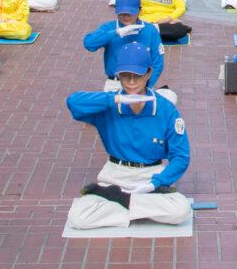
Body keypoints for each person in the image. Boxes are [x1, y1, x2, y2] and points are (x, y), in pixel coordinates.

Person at [65, 42, 191, 230]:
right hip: (115, 175)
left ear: (148, 73)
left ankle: (122, 202)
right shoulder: (109, 104)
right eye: (125, 75)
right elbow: (73, 102)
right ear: (118, 75)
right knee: (77, 217)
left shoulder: (166, 109)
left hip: (150, 174)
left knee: (181, 211)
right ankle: (141, 209)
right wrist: (114, 98)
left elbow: (181, 156)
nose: (131, 81)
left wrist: (155, 182)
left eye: (137, 75)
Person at [83, 0, 177, 105]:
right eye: (122, 12)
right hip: (115, 84)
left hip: (142, 84)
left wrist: (145, 86)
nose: (125, 16)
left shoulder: (150, 30)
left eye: (130, 12)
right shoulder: (109, 27)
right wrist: (116, 32)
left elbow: (157, 62)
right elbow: (89, 44)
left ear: (139, 10)